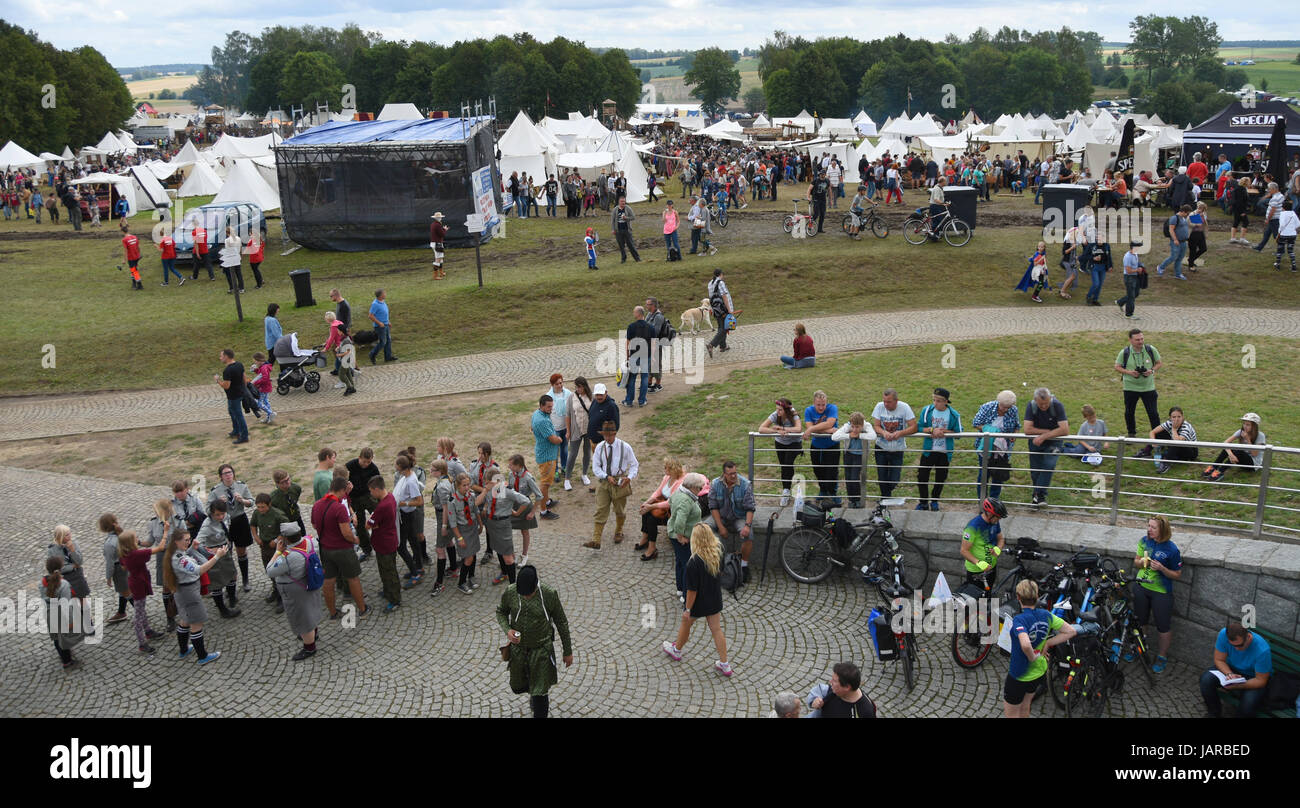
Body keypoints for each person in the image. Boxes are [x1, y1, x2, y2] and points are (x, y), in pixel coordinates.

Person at [497, 565, 573, 718]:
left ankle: (537, 700)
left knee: (540, 694)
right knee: (518, 686)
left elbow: (561, 622)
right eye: (522, 594)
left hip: (541, 651)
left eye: (528, 594)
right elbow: (501, 612)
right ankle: (533, 693)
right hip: (519, 651)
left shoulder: (549, 594)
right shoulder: (511, 591)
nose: (525, 597)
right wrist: (508, 630)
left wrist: (568, 651)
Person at [661, 524, 733, 678]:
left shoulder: (693, 562)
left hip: (698, 602)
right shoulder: (718, 551)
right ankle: (725, 664)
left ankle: (677, 650)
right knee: (716, 630)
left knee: (686, 623)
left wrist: (687, 609)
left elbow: (692, 591)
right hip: (714, 598)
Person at [1004, 580, 1076, 718]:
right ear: (1037, 596)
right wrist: (1048, 642)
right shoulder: (1046, 615)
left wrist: (1032, 657)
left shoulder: (1020, 619)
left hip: (1019, 674)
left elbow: (1025, 644)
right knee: (1025, 706)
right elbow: (1071, 631)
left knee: (1012, 713)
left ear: (1018, 597)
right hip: (1038, 672)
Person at [163, 527, 227, 665]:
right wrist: (217, 556)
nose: (188, 542)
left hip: (182, 592)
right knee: (196, 624)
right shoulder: (179, 559)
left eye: (189, 539)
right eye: (185, 540)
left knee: (185, 621)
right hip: (189, 593)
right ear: (176, 542)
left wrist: (191, 548)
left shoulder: (176, 553)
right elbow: (199, 570)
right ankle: (202, 656)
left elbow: (187, 557)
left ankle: (184, 649)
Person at [265, 523, 323, 660]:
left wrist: (277, 552)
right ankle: (314, 632)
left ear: (285, 538)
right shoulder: (310, 542)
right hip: (309, 582)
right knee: (310, 609)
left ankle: (309, 647)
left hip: (295, 590)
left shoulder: (288, 556)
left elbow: (270, 570)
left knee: (302, 618)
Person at [1132, 515, 1181, 673]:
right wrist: (1143, 562)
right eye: (1148, 526)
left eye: (1153, 527)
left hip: (1161, 592)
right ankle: (1140, 648)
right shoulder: (1144, 541)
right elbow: (1137, 561)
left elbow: (1177, 574)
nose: (1149, 530)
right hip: (1141, 587)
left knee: (1163, 626)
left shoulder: (1172, 550)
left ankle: (1161, 656)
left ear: (1163, 530)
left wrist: (1162, 569)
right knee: (1141, 621)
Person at [1200, 622, 1273, 718]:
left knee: (1248, 703)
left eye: (1240, 645)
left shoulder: (1262, 650)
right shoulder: (1223, 634)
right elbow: (1219, 659)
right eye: (1233, 645)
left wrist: (1237, 685)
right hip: (1232, 669)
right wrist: (1229, 674)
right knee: (1205, 680)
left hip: (1253, 677)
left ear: (1249, 637)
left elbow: (1261, 681)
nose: (1237, 649)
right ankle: (1214, 713)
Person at [587, 420, 639, 549]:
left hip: (620, 482)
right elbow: (595, 467)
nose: (607, 438)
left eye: (609, 435)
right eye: (605, 435)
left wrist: (629, 478)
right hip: (604, 482)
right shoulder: (599, 447)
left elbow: (634, 465)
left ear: (615, 433)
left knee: (619, 510)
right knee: (601, 509)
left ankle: (619, 531)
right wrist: (606, 476)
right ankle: (596, 539)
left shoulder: (625, 447)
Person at [210, 463, 257, 593]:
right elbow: (208, 509)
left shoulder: (241, 486)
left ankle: (246, 580)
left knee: (242, 550)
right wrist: (218, 504)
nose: (228, 475)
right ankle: (230, 583)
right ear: (221, 476)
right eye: (225, 473)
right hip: (224, 523)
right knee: (227, 554)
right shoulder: (215, 491)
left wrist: (242, 500)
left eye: (230, 472)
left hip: (240, 520)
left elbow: (251, 502)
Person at [118, 531, 168, 654]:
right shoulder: (136, 554)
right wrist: (165, 531)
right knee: (138, 615)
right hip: (139, 584)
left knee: (141, 608)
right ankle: (142, 643)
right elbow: (160, 547)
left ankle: (148, 631)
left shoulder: (124, 553)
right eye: (136, 538)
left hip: (135, 582)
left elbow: (123, 567)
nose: (138, 539)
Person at [478, 471, 531, 585]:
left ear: (496, 481)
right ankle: (504, 572)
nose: (486, 485)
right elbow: (479, 502)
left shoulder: (507, 491)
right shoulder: (488, 490)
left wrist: (516, 513)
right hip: (491, 522)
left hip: (503, 524)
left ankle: (513, 585)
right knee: (498, 548)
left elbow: (526, 501)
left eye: (488, 483)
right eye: (485, 483)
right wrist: (486, 492)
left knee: (508, 557)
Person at [708, 461, 756, 583]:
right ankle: (714, 563)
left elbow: (750, 508)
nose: (733, 476)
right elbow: (713, 507)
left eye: (735, 473)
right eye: (730, 474)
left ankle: (744, 566)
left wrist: (747, 525)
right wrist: (720, 527)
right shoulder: (715, 484)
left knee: (748, 535)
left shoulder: (745, 484)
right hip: (722, 516)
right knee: (705, 528)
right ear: (724, 474)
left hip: (739, 516)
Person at [916, 387, 961, 511]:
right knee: (922, 476)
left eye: (939, 401)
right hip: (929, 451)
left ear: (946, 401)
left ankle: (935, 500)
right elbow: (919, 427)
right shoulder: (926, 410)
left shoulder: (954, 414)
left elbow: (958, 433)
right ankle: (923, 501)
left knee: (940, 477)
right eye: (934, 400)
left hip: (944, 453)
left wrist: (944, 432)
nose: (935, 403)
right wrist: (931, 430)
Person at [1115, 328, 1163, 443]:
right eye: (1137, 340)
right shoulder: (1125, 352)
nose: (1140, 341)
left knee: (1153, 413)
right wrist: (1129, 372)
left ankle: (1158, 436)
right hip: (1130, 388)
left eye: (1142, 339)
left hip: (1148, 387)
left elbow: (1159, 363)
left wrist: (1151, 371)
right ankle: (1131, 434)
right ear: (1130, 340)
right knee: (1129, 412)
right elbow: (1117, 366)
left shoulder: (1150, 350)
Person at [1024, 387, 1068, 506]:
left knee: (1049, 465)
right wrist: (1048, 431)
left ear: (1051, 398)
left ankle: (1038, 495)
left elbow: (1064, 429)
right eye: (1041, 404)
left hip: (1054, 442)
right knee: (1035, 470)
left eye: (1046, 403)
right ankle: (1039, 497)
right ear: (1035, 400)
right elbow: (1027, 429)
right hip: (1035, 442)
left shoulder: (1057, 405)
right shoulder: (1031, 406)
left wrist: (1043, 436)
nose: (1044, 406)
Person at [637, 458, 686, 563]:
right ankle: (645, 538)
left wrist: (652, 506)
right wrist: (647, 502)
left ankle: (652, 548)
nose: (664, 469)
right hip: (662, 508)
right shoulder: (667, 478)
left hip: (671, 512)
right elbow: (658, 492)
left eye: (666, 467)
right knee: (645, 511)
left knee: (651, 519)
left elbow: (670, 502)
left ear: (673, 469)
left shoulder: (680, 483)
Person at [366, 474, 402, 612]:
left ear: (376, 489)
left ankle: (395, 599)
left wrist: (372, 522)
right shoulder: (390, 497)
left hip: (384, 544)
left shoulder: (382, 506)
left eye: (371, 491)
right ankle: (388, 591)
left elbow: (368, 525)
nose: (371, 493)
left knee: (389, 572)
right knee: (385, 570)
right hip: (387, 541)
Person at [871, 389, 916, 499]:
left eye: (889, 402)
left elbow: (914, 427)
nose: (886, 404)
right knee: (882, 476)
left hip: (897, 449)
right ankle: (885, 499)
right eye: (884, 401)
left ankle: (886, 496)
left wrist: (900, 433)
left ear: (896, 401)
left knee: (894, 478)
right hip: (881, 447)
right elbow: (876, 426)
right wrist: (883, 432)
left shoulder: (904, 407)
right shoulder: (879, 406)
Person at [41, 557, 84, 670]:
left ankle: (63, 657)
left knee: (55, 637)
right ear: (61, 568)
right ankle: (67, 661)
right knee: (63, 637)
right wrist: (71, 621)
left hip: (49, 613)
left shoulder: (42, 583)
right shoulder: (63, 584)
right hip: (61, 613)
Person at [758, 398, 802, 505]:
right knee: (784, 465)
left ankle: (786, 491)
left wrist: (784, 429)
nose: (778, 412)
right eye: (777, 409)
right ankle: (786, 490)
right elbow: (761, 429)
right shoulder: (775, 414)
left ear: (786, 410)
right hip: (780, 443)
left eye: (780, 410)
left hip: (794, 443)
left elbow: (799, 428)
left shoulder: (793, 414)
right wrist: (775, 430)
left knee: (788, 463)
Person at [1201, 412, 1266, 482]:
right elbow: (1225, 443)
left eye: (1248, 425)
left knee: (1238, 451)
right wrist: (1230, 454)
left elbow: (1254, 454)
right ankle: (1214, 467)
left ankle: (1220, 471)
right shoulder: (1241, 432)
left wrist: (1248, 439)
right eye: (1244, 423)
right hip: (1240, 459)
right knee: (1229, 447)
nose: (1245, 426)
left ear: (1254, 426)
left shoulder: (1260, 436)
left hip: (1253, 464)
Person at [446, 473, 483, 593]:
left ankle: (471, 577)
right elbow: (453, 523)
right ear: (457, 486)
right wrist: (459, 538)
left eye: (468, 485)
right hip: (462, 531)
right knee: (468, 557)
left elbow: (476, 511)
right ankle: (461, 582)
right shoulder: (452, 501)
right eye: (464, 485)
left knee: (474, 552)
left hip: (472, 528)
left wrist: (480, 524)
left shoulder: (471, 496)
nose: (467, 488)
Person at [802, 390, 841, 504]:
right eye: (818, 405)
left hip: (832, 445)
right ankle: (823, 490)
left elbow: (829, 423)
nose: (821, 407)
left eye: (823, 404)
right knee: (818, 470)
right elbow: (824, 427)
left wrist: (811, 429)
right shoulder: (808, 410)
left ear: (826, 402)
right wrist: (828, 430)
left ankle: (833, 493)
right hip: (816, 446)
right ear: (814, 403)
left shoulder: (832, 408)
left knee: (832, 471)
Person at [831, 413, 876, 509]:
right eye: (853, 427)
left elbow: (873, 436)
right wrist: (849, 435)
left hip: (860, 455)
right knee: (848, 478)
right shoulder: (847, 426)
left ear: (862, 425)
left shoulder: (867, 425)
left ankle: (858, 499)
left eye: (857, 427)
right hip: (848, 454)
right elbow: (834, 437)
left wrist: (860, 435)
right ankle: (851, 500)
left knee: (854, 477)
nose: (855, 429)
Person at [531, 395, 563, 521]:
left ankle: (547, 501)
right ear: (541, 405)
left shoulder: (536, 414)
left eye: (552, 406)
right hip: (547, 457)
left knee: (546, 483)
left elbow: (532, 428)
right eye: (549, 407)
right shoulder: (542, 421)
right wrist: (560, 439)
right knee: (545, 484)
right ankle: (543, 511)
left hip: (544, 453)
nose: (551, 409)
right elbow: (553, 439)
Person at [810, 661, 877, 717]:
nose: (830, 682)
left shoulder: (865, 712)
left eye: (834, 681)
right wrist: (814, 701)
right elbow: (816, 693)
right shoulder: (833, 691)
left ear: (847, 687)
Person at [564, 377, 595, 489]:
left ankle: (584, 474)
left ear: (584, 386)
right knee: (573, 454)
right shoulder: (571, 397)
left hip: (588, 429)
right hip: (575, 429)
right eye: (576, 387)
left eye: (579, 387)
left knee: (587, 452)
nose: (577, 389)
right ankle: (567, 478)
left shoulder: (591, 396)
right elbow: (567, 415)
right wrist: (568, 431)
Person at [215, 349, 249, 444]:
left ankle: (244, 436)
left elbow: (226, 386)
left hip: (233, 396)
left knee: (238, 415)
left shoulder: (227, 370)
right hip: (240, 393)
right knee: (231, 411)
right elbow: (244, 378)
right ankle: (236, 430)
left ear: (226, 356)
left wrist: (218, 380)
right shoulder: (239, 364)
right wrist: (244, 389)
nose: (220, 358)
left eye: (221, 356)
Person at [1150, 406, 1197, 473]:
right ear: (1170, 418)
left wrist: (1174, 429)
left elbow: (1178, 442)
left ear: (1182, 417)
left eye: (1179, 417)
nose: (1176, 419)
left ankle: (1166, 463)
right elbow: (1152, 432)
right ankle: (1146, 451)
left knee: (1177, 443)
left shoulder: (1186, 426)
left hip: (1190, 451)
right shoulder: (1169, 422)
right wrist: (1153, 443)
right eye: (1174, 417)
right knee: (1159, 433)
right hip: (1176, 446)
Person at [624, 306, 655, 408]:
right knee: (645, 377)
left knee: (632, 378)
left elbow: (628, 343)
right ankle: (642, 401)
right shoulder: (650, 327)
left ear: (638, 314)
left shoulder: (631, 327)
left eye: (634, 312)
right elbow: (654, 343)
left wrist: (627, 356)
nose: (633, 314)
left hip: (634, 356)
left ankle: (629, 401)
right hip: (646, 355)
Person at [705, 268, 738, 358]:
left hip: (716, 309)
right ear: (721, 274)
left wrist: (711, 309)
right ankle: (711, 345)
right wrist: (729, 309)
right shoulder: (720, 283)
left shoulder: (710, 283)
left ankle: (723, 346)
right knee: (725, 328)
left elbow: (711, 298)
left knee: (721, 326)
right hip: (723, 309)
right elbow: (724, 297)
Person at [1115, 241, 1146, 320]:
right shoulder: (1128, 257)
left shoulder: (1135, 254)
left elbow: (1135, 264)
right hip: (1129, 278)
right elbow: (1128, 270)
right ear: (1134, 247)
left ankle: (1120, 302)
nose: (1139, 249)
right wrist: (1137, 270)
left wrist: (1140, 266)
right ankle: (1129, 314)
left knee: (1135, 293)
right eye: (1138, 247)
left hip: (1135, 277)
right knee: (1131, 297)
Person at [367, 288, 397, 364]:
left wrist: (388, 321)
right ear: (380, 295)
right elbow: (370, 316)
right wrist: (379, 323)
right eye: (384, 293)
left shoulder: (383, 301)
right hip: (380, 326)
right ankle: (372, 354)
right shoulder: (375, 304)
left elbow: (384, 313)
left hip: (385, 324)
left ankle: (388, 357)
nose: (385, 294)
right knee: (383, 342)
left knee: (388, 341)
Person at [1254, 181, 1284, 252]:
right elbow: (1280, 207)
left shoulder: (1275, 198)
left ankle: (1281, 250)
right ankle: (1259, 247)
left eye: (1269, 189)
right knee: (1266, 234)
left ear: (1274, 189)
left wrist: (1268, 219)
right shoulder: (1280, 196)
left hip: (1274, 219)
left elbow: (1272, 210)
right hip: (1275, 218)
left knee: (1276, 236)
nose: (1268, 191)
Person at [1084, 232, 1111, 306]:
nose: (1098, 239)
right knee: (1096, 283)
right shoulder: (1092, 245)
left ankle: (1095, 299)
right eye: (1097, 238)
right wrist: (1093, 258)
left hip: (1103, 267)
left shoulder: (1106, 246)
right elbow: (1085, 256)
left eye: (1100, 238)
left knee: (1100, 285)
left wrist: (1110, 266)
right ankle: (1089, 296)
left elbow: (1109, 256)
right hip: (1094, 266)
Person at [610, 197, 640, 263]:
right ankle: (623, 259)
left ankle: (637, 258)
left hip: (627, 230)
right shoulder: (615, 209)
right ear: (619, 202)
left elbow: (633, 217)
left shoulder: (628, 208)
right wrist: (613, 229)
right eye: (621, 201)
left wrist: (626, 218)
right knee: (621, 245)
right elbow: (612, 220)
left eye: (624, 201)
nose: (623, 203)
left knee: (631, 245)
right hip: (618, 230)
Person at [250, 353, 276, 425]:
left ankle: (271, 413)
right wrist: (255, 370)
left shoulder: (264, 367)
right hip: (265, 387)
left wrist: (255, 382)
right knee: (265, 402)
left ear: (259, 360)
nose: (254, 362)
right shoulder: (263, 367)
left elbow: (265, 378)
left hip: (263, 388)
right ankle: (269, 417)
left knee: (259, 403)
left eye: (255, 361)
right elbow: (260, 373)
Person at [1274, 199, 1299, 272]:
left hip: (1283, 234)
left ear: (1284, 207)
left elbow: (1281, 225)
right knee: (1291, 250)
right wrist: (1292, 228)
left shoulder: (1282, 214)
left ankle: (1278, 264)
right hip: (1292, 234)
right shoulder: (1293, 213)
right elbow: (1298, 224)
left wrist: (1279, 232)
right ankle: (1294, 266)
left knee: (1280, 249)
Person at [220, 225, 245, 293]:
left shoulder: (227, 240)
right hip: (237, 257)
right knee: (238, 273)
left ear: (227, 233)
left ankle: (232, 287)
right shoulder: (238, 238)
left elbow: (228, 250)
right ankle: (241, 288)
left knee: (229, 273)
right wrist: (240, 256)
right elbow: (240, 248)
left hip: (231, 258)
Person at [1186, 201, 1208, 272]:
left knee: (1203, 248)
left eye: (1202, 208)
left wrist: (1202, 217)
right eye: (1199, 208)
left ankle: (1191, 260)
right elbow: (1189, 223)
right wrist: (1196, 223)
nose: (1200, 209)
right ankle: (1191, 265)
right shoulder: (1193, 213)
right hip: (1193, 234)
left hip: (1201, 233)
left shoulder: (1204, 214)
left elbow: (1204, 224)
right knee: (1193, 249)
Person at [121, 224, 143, 291]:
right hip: (137, 256)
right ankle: (134, 284)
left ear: (122, 232)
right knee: (133, 270)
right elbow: (138, 246)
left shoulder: (124, 240)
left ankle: (139, 285)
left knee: (134, 271)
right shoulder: (134, 237)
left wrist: (124, 260)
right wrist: (139, 254)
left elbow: (125, 250)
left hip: (131, 258)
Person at [807, 170, 829, 234]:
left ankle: (820, 229)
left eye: (823, 174)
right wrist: (808, 197)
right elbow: (809, 189)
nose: (821, 175)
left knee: (822, 214)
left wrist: (831, 199)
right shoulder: (815, 181)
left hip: (823, 199)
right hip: (816, 199)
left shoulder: (827, 181)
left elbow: (829, 189)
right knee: (816, 214)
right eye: (820, 174)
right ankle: (810, 225)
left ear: (825, 174)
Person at [263, 303, 282, 372]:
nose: (278, 310)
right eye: (277, 309)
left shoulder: (267, 318)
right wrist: (283, 340)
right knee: (275, 360)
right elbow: (276, 333)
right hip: (274, 343)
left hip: (270, 343)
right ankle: (263, 373)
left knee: (271, 359)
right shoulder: (272, 320)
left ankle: (263, 373)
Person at [429, 211, 447, 280]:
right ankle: (435, 275)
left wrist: (443, 229)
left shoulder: (433, 224)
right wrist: (445, 230)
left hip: (435, 243)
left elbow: (438, 232)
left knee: (440, 257)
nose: (440, 218)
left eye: (440, 217)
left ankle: (441, 272)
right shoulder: (437, 225)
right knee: (438, 259)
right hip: (437, 243)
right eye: (439, 217)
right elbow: (442, 234)